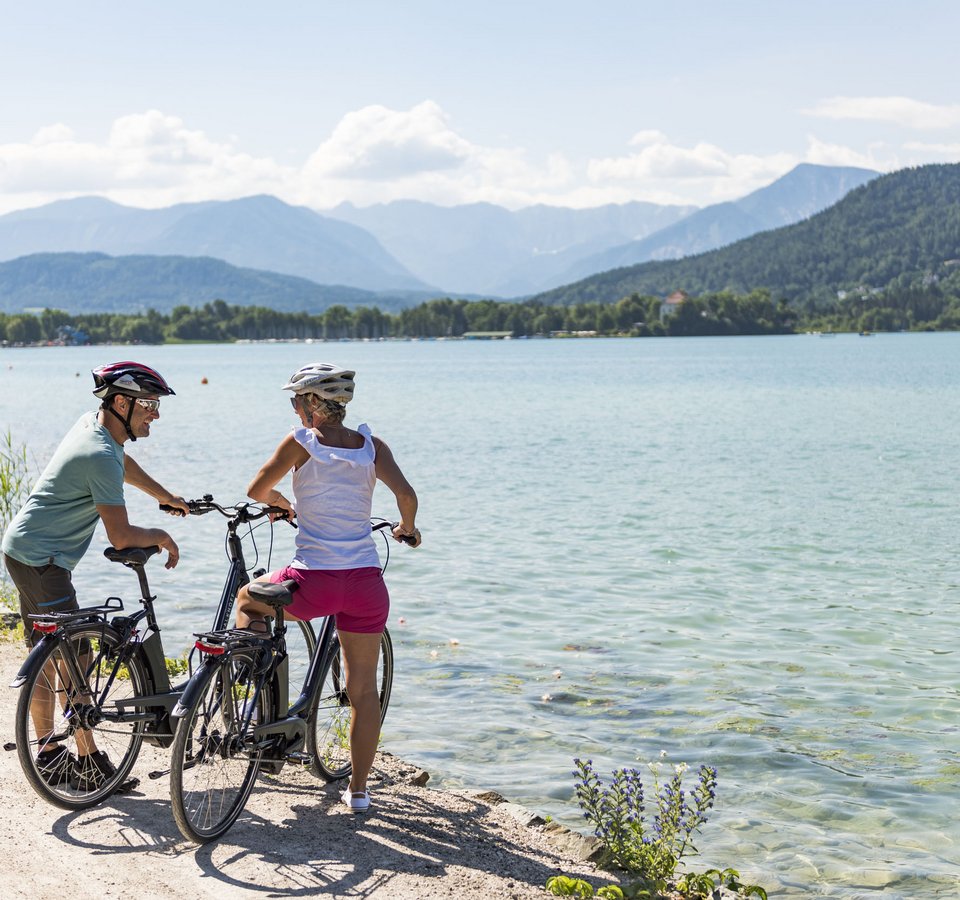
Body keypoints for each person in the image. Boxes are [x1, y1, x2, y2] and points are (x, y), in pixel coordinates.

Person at [235, 363, 420, 813]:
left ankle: (261, 695)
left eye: (297, 400)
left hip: (312, 581)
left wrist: (283, 504)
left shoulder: (301, 443)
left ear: (313, 404)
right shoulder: (372, 447)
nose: (295, 408)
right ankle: (358, 792)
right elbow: (407, 497)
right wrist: (406, 529)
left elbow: (257, 488)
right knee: (362, 692)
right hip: (364, 585)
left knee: (248, 599)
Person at [1, 361, 189, 789]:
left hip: (23, 551)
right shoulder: (100, 453)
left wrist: (164, 496)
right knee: (75, 656)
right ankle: (85, 763)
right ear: (120, 402)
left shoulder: (96, 428)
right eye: (148, 404)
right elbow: (121, 536)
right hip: (44, 561)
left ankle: (48, 752)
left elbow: (120, 462)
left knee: (49, 655)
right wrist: (161, 534)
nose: (155, 414)